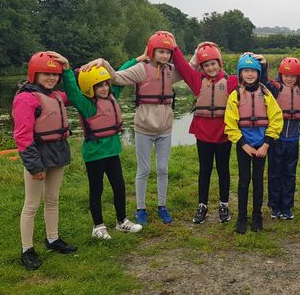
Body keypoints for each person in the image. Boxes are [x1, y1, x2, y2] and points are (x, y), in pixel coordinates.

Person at [101, 31, 182, 226]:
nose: (164, 56)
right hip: (144, 128)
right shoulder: (141, 69)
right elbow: (116, 78)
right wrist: (103, 63)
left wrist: (197, 49)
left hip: (165, 129)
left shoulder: (171, 71)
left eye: (167, 52)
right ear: (152, 51)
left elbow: (192, 68)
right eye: (160, 51)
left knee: (163, 168)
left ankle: (162, 206)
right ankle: (141, 208)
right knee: (143, 169)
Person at [13, 51, 77, 270]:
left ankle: (52, 239)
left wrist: (69, 69)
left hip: (57, 151)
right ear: (34, 74)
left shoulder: (56, 96)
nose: (51, 78)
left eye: (55, 74)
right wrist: (34, 165)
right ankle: (27, 250)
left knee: (53, 199)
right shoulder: (26, 98)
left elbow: (75, 92)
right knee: (31, 204)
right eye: (46, 74)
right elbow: (22, 136)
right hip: (38, 154)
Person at [63, 62, 142, 239]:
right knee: (96, 189)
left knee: (119, 187)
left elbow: (119, 75)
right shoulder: (86, 105)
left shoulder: (112, 96)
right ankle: (98, 227)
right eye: (99, 85)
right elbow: (73, 92)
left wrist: (137, 60)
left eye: (106, 84)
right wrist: (67, 70)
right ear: (89, 88)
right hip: (94, 154)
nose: (105, 88)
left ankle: (122, 221)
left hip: (113, 152)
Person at [171, 42, 238, 223]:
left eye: (213, 64)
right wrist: (174, 48)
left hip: (223, 133)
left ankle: (224, 205)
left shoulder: (231, 81)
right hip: (203, 133)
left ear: (220, 63)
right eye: (206, 65)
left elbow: (252, 76)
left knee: (223, 170)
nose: (210, 68)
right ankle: (202, 205)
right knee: (205, 170)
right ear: (202, 67)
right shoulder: (197, 80)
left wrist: (259, 62)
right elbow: (183, 68)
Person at [224, 54, 283, 234]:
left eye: (253, 71)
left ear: (258, 73)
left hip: (262, 145)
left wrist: (266, 144)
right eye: (246, 71)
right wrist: (243, 144)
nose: (249, 74)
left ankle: (257, 215)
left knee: (258, 181)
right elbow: (230, 123)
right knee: (244, 181)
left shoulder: (266, 95)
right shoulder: (235, 95)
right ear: (240, 74)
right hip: (244, 145)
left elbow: (276, 118)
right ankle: (242, 217)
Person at [266, 57, 300, 220]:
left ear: (298, 77)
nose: (289, 79)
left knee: (290, 173)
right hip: (276, 139)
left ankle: (287, 206)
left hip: (293, 140)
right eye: (286, 75)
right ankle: (274, 205)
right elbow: (263, 80)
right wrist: (263, 63)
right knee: (275, 173)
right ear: (280, 75)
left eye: (293, 76)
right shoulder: (275, 88)